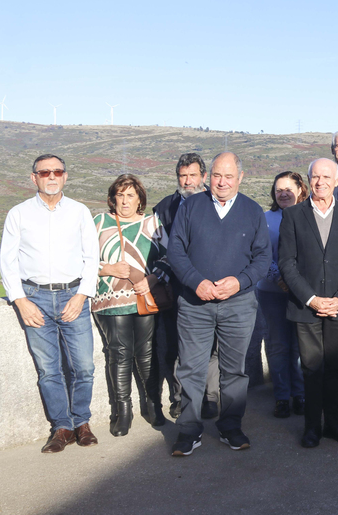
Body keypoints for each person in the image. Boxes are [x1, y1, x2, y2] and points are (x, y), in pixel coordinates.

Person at [166, 152, 272, 457]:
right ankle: (188, 430)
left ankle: (231, 426)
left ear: (240, 178)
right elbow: (176, 251)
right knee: (191, 368)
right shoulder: (191, 207)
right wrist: (195, 281)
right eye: (216, 175)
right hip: (194, 304)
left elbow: (263, 258)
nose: (221, 182)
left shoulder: (253, 211)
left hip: (237, 305)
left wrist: (239, 282)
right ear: (207, 177)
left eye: (228, 176)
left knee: (234, 371)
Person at [0, 154, 100, 453]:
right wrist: (20, 301)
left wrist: (82, 296)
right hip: (36, 298)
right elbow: (8, 261)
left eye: (57, 171)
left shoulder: (80, 212)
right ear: (34, 178)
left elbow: (91, 258)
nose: (51, 176)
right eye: (44, 173)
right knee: (49, 369)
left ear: (65, 176)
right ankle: (62, 427)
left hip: (73, 296)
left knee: (83, 366)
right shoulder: (18, 214)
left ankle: (82, 421)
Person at [279, 157, 338, 449]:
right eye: (315, 177)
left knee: (336, 367)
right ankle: (311, 427)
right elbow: (287, 264)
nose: (321, 182)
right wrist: (313, 299)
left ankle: (334, 424)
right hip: (306, 306)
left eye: (326, 177)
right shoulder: (292, 216)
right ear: (308, 180)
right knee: (311, 368)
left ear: (337, 180)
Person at [92, 174, 169, 436]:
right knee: (119, 353)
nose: (125, 201)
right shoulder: (99, 222)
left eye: (130, 196)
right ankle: (122, 410)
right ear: (113, 198)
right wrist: (107, 268)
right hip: (109, 300)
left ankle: (153, 405)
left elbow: (169, 258)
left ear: (140, 200)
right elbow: (79, 258)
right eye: (120, 195)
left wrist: (151, 279)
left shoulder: (152, 223)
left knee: (147, 352)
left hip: (143, 297)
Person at [152, 153, 219, 420]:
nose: (187, 181)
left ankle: (211, 397)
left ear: (203, 176)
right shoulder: (164, 207)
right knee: (177, 347)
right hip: (175, 288)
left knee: (212, 347)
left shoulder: (218, 203)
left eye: (193, 175)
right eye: (183, 176)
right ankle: (180, 398)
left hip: (210, 287)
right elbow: (158, 250)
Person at [258, 171, 307, 419]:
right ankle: (281, 397)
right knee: (277, 345)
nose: (283, 193)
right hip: (272, 292)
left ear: (300, 189)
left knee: (299, 345)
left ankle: (300, 395)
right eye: (278, 189)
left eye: (289, 188)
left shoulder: (308, 216)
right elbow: (259, 253)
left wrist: (296, 282)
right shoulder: (264, 219)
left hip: (302, 293)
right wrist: (279, 277)